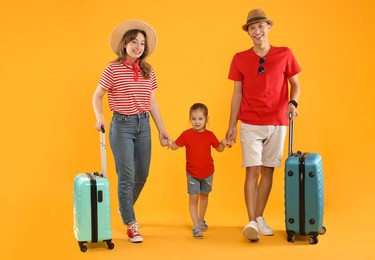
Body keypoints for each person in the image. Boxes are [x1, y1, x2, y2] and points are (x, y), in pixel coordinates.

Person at [225, 8, 301, 242]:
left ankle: (258, 218)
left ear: (268, 27)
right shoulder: (240, 58)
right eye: (252, 28)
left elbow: (295, 84)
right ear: (248, 32)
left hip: (278, 122)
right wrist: (232, 126)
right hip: (250, 122)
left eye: (260, 26)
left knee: (268, 170)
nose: (256, 31)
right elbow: (236, 93)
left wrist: (293, 102)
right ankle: (251, 220)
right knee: (253, 170)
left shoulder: (285, 54)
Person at [92, 20, 171, 243]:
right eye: (134, 42)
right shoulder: (113, 69)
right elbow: (97, 95)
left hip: (143, 125)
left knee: (142, 174)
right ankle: (131, 223)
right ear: (125, 44)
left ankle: (124, 206)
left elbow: (152, 101)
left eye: (142, 43)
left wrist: (161, 130)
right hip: (121, 126)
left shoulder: (148, 70)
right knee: (126, 176)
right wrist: (100, 117)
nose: (138, 46)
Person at [169, 103, 230, 239]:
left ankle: (200, 220)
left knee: (204, 196)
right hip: (192, 173)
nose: (197, 122)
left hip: (208, 172)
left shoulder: (210, 135)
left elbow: (219, 149)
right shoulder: (186, 134)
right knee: (193, 198)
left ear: (206, 119)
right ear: (190, 119)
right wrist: (169, 142)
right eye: (194, 119)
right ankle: (196, 225)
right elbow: (175, 146)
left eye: (200, 119)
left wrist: (223, 143)